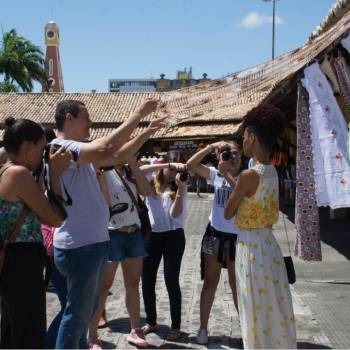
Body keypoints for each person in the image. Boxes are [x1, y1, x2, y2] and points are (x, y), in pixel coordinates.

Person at [50, 98, 164, 349]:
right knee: (76, 316)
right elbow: (107, 147)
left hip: (92, 244)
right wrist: (138, 114)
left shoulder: (78, 151)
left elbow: (119, 154)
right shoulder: (61, 148)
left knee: (83, 313)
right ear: (69, 118)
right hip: (81, 246)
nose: (90, 123)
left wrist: (147, 131)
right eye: (86, 118)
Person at [224, 104, 297, 349]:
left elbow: (229, 211)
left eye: (244, 137)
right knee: (272, 305)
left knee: (253, 305)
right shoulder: (272, 171)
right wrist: (229, 177)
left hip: (251, 247)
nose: (243, 142)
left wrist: (227, 176)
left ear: (252, 137)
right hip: (269, 245)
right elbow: (248, 195)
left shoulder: (248, 175)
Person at [0, 117, 71, 349]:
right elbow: (55, 218)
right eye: (41, 149)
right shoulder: (19, 175)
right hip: (22, 261)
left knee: (14, 326)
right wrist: (57, 176)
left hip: (13, 260)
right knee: (28, 330)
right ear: (28, 146)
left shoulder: (6, 170)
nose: (43, 155)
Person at [88, 156, 152, 349]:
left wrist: (133, 164)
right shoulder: (103, 170)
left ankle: (135, 330)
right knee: (103, 286)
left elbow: (147, 191)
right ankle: (91, 336)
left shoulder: (130, 171)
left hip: (134, 232)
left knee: (133, 284)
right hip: (111, 233)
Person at [187, 140, 242, 345]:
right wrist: (210, 148)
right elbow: (191, 165)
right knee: (210, 282)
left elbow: (244, 198)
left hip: (237, 237)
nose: (232, 157)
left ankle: (245, 328)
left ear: (242, 155)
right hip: (215, 234)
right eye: (228, 153)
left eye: (235, 153)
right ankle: (203, 327)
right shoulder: (216, 174)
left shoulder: (246, 177)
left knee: (237, 285)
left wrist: (227, 173)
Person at [140, 160, 188, 341]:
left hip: (174, 236)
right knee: (147, 279)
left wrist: (181, 189)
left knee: (171, 280)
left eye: (177, 169)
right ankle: (151, 321)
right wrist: (164, 163)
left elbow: (174, 215)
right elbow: (140, 169)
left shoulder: (180, 187)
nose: (172, 172)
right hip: (152, 236)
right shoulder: (150, 183)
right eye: (171, 168)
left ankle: (176, 326)